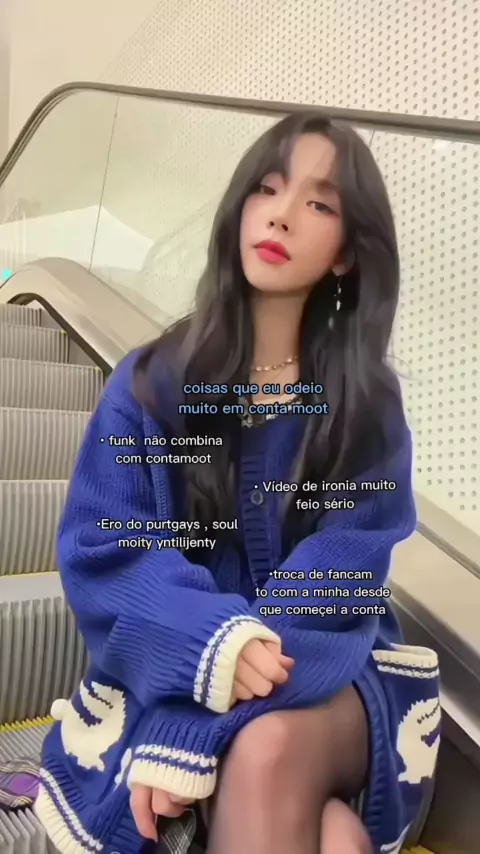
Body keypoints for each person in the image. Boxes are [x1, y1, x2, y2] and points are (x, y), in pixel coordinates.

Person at [34, 112, 441, 854]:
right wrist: (210, 646)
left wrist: (201, 714)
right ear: (240, 207)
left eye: (319, 204)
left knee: (267, 746)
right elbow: (106, 548)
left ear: (346, 254)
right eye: (268, 188)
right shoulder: (150, 385)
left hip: (332, 663)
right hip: (178, 655)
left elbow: (343, 568)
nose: (282, 215)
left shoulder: (366, 407)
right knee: (331, 835)